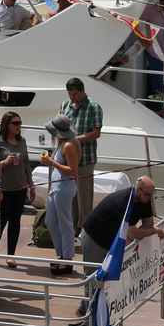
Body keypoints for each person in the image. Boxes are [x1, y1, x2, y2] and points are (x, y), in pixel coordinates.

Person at [80, 177, 164, 267]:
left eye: (152, 194)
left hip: (112, 238)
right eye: (148, 195)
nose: (151, 198)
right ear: (138, 191)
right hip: (95, 237)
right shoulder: (122, 202)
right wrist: (155, 230)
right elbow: (133, 234)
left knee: (113, 276)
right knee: (94, 277)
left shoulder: (144, 199)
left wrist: (130, 236)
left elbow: (148, 223)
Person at [38, 114, 80, 275]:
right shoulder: (63, 143)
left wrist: (52, 163)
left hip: (64, 187)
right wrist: (52, 160)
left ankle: (67, 259)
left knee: (65, 223)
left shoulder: (69, 145)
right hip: (57, 186)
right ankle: (62, 254)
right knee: (50, 221)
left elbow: (73, 171)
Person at [59, 79, 102, 228]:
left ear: (83, 90)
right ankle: (72, 225)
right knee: (71, 196)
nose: (72, 97)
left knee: (84, 199)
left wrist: (74, 141)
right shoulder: (65, 105)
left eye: (75, 94)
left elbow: (96, 133)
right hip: (68, 160)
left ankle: (85, 228)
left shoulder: (94, 107)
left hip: (85, 159)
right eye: (70, 94)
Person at [0, 112, 34, 267]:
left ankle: (11, 255)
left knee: (15, 221)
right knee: (1, 221)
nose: (19, 126)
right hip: (4, 188)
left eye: (20, 122)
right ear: (7, 125)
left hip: (20, 186)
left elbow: (26, 164)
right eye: (15, 123)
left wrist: (31, 186)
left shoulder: (22, 141)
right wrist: (5, 162)